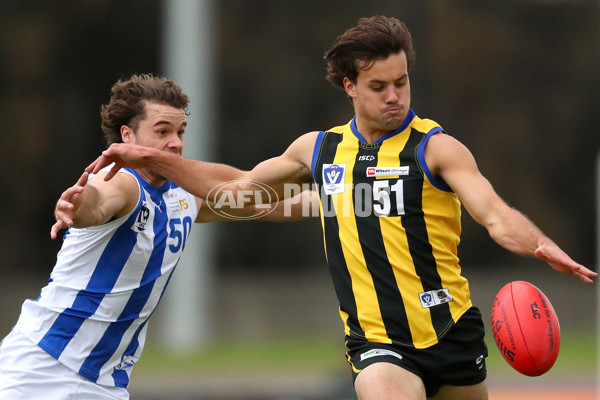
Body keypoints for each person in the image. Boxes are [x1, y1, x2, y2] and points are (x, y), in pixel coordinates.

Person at [86, 17, 597, 400]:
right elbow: (237, 192)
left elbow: (494, 214)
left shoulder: (436, 148)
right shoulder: (318, 150)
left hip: (452, 329)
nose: (394, 96)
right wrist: (152, 166)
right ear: (350, 86)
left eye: (401, 82)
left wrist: (538, 244)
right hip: (375, 341)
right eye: (379, 86)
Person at [0, 73, 308, 400]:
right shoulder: (121, 181)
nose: (175, 142)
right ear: (127, 136)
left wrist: (350, 199)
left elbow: (265, 201)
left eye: (180, 132)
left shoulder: (186, 195)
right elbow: (99, 202)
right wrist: (78, 206)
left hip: (103, 382)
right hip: (41, 367)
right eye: (162, 131)